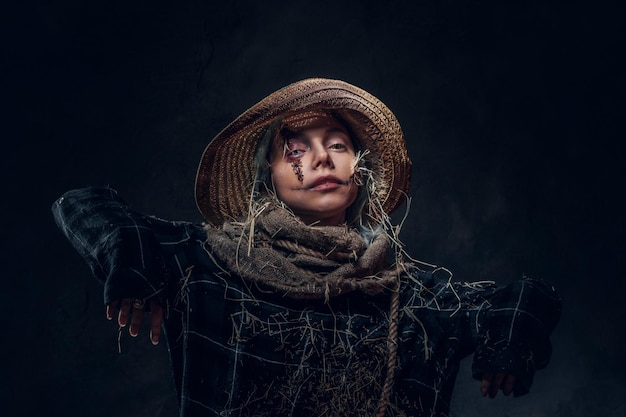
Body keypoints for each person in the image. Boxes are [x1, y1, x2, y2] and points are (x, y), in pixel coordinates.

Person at [52, 78, 561, 417]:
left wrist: (509, 341)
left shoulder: (415, 298)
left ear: (359, 172)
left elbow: (520, 299)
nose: (321, 160)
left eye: (337, 144)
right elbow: (82, 205)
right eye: (295, 149)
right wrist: (136, 265)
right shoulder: (205, 263)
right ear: (268, 178)